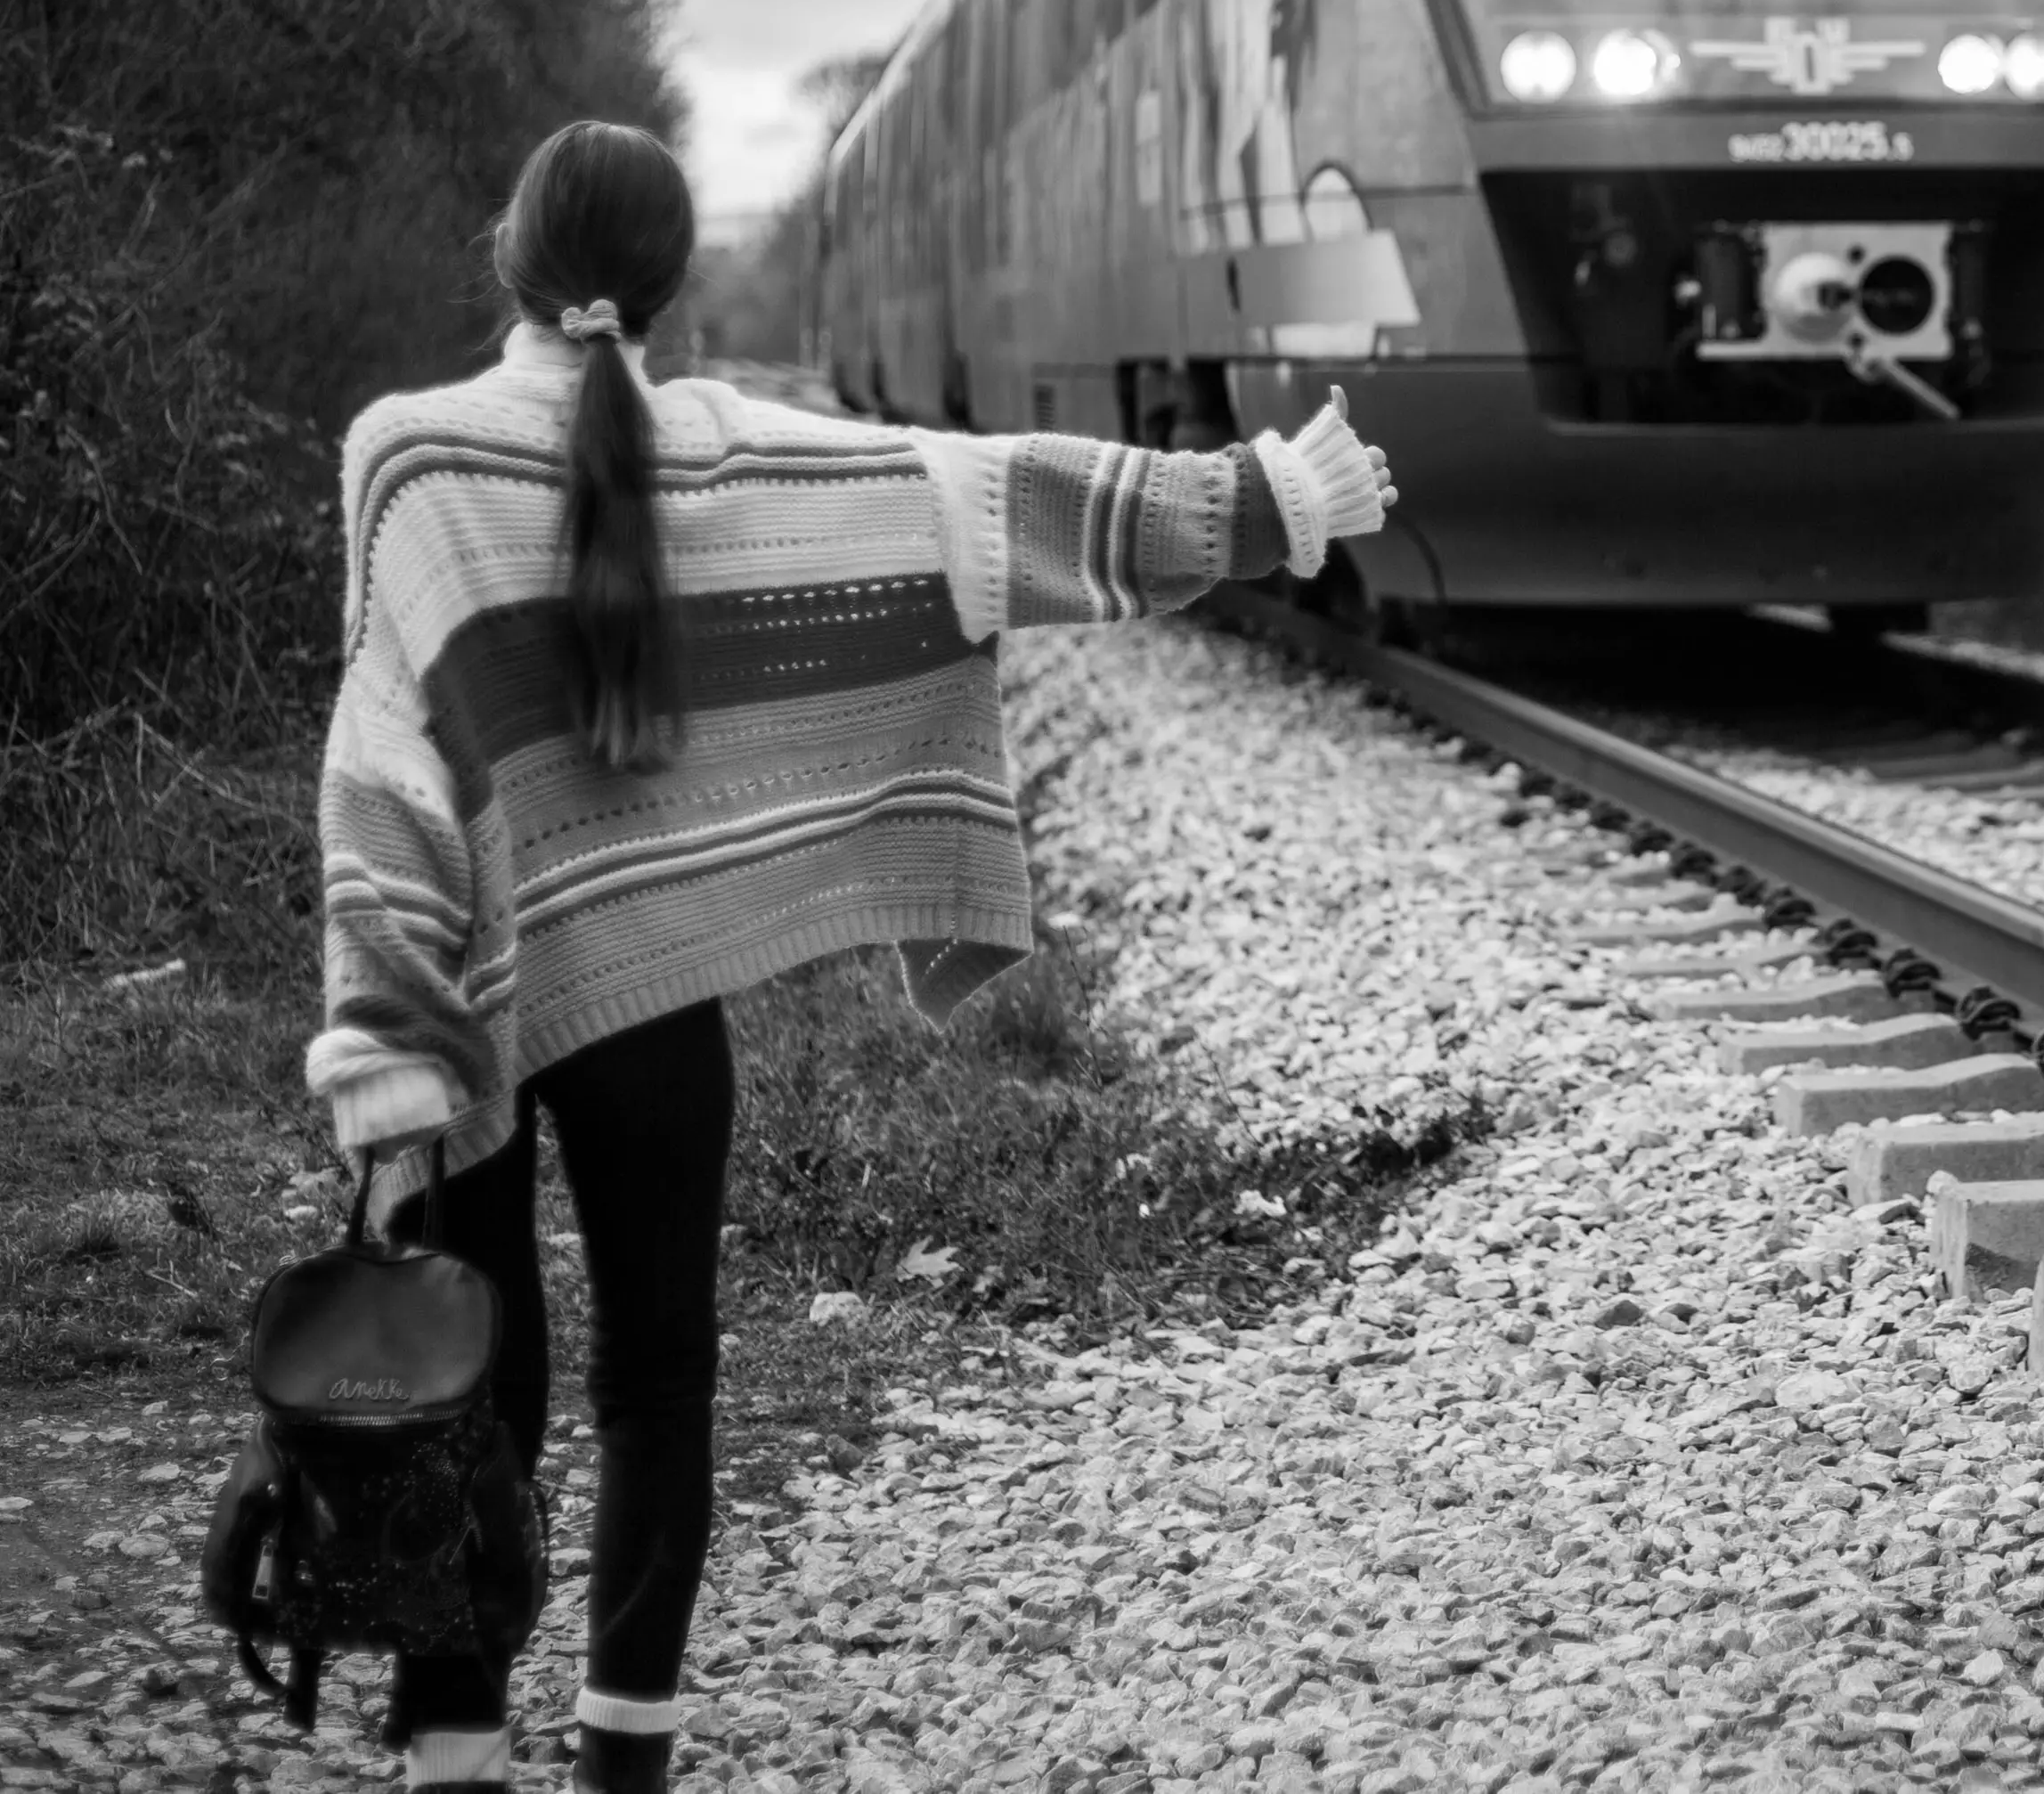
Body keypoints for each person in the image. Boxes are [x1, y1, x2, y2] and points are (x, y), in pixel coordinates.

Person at [305, 121, 1395, 1792]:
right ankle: (626, 1750)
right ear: (671, 286)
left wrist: (382, 1037)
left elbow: (380, 768)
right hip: (662, 1002)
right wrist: (1262, 503)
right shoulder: (754, 456)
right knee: (659, 1381)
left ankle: (455, 1750)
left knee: (471, 1376)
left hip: (462, 1010)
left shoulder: (410, 459)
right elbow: (995, 502)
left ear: (510, 254)